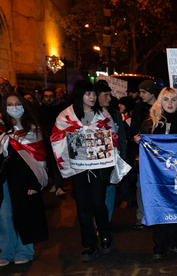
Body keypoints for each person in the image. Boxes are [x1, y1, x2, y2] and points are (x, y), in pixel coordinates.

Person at [51, 80, 115, 261]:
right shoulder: (65, 116)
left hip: (99, 166)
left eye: (94, 94)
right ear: (79, 95)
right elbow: (56, 138)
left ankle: (105, 236)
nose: (93, 97)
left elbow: (113, 136)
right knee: (83, 206)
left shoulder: (103, 114)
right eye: (88, 94)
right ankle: (89, 244)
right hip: (77, 167)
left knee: (98, 203)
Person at [133, 87, 177, 259]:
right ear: (160, 102)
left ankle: (173, 240)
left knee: (176, 205)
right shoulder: (150, 123)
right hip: (157, 175)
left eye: (174, 99)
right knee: (159, 206)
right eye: (166, 99)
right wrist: (137, 140)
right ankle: (159, 245)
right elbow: (142, 148)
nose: (170, 103)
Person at [0, 93, 48, 266]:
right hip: (4, 178)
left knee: (24, 213)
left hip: (24, 178)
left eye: (17, 103)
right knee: (3, 215)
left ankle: (24, 250)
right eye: (9, 104)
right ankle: (6, 251)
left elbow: (40, 158)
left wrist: (36, 183)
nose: (14, 107)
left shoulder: (32, 129)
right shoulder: (1, 129)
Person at [95, 82, 127, 222]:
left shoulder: (115, 115)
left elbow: (122, 139)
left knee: (109, 191)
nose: (109, 98)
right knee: (97, 196)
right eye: (106, 95)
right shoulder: (87, 115)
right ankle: (99, 222)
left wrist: (122, 158)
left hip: (113, 159)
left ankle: (104, 224)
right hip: (95, 163)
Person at [131, 79, 160, 229]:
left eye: (144, 92)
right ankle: (141, 214)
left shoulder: (162, 108)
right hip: (143, 153)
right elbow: (134, 129)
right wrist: (135, 138)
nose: (140, 95)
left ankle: (159, 213)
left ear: (151, 92)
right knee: (141, 185)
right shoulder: (138, 109)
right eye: (140, 92)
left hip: (160, 154)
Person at [40, 87, 66, 196]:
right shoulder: (39, 109)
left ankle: (59, 185)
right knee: (50, 163)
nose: (48, 98)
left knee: (58, 163)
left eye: (51, 96)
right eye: (46, 96)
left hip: (57, 140)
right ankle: (55, 183)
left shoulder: (60, 108)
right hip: (44, 140)